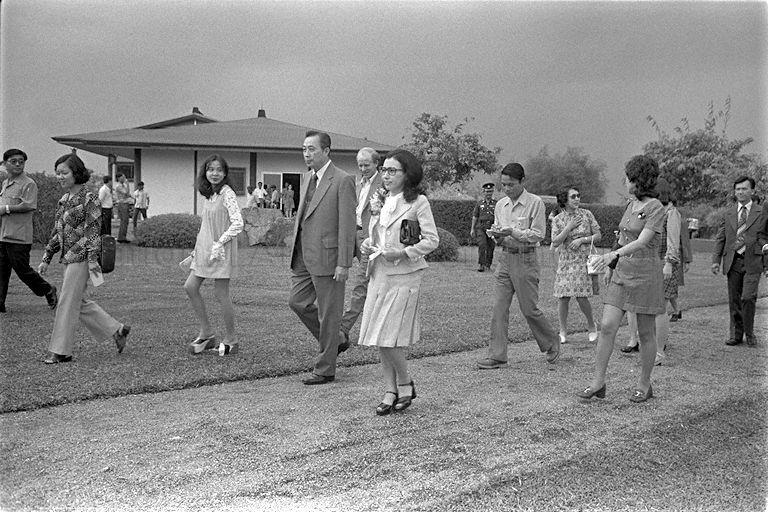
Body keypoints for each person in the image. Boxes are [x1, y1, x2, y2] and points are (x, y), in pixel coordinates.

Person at [577, 155, 665, 403]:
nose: (625, 181)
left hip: (646, 274)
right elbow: (623, 237)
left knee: (646, 333)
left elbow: (642, 241)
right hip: (622, 271)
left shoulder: (656, 207)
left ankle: (644, 385)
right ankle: (598, 383)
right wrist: (611, 265)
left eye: (628, 177)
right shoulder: (630, 204)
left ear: (638, 180)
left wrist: (612, 254)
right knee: (607, 326)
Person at [358, 149, 439, 415]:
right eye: (385, 170)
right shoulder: (380, 200)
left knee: (389, 335)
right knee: (380, 336)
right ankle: (390, 389)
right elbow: (377, 237)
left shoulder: (418, 203)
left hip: (405, 276)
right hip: (379, 273)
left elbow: (431, 240)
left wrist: (403, 253)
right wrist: (369, 245)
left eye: (393, 171)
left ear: (407, 174)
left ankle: (405, 382)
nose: (387, 175)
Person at [37, 153, 129, 364]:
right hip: (68, 258)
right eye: (57, 173)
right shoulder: (64, 200)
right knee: (78, 301)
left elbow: (93, 232)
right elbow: (57, 232)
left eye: (64, 173)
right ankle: (118, 330)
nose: (59, 177)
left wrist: (92, 262)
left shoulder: (90, 198)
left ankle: (61, 351)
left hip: (82, 258)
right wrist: (46, 258)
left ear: (76, 173)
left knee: (66, 302)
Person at [477, 162, 561, 369]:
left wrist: (513, 232)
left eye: (511, 184)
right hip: (505, 258)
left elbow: (539, 234)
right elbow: (499, 230)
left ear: (522, 181)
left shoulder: (535, 203)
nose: (506, 189)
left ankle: (551, 341)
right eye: (503, 185)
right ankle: (497, 356)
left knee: (529, 309)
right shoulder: (500, 205)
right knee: (498, 307)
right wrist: (497, 235)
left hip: (526, 259)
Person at [288, 130, 356, 385]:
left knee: (329, 314)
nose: (306, 153)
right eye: (304, 149)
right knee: (298, 302)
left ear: (326, 151)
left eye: (312, 149)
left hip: (329, 258)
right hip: (304, 255)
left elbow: (347, 225)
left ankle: (325, 368)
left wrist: (343, 262)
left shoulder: (342, 180)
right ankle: (336, 340)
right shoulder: (306, 178)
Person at [183, 155, 243, 356]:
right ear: (205, 172)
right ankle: (207, 333)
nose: (214, 173)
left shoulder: (228, 194)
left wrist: (220, 243)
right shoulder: (209, 194)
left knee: (220, 294)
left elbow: (238, 223)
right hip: (204, 249)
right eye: (210, 169)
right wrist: (195, 252)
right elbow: (205, 226)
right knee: (190, 287)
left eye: (219, 170)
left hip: (221, 251)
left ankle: (231, 338)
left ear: (225, 173)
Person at [0, 149, 58, 313]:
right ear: (5, 164)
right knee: (1, 270)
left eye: (21, 161)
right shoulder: (6, 183)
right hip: (3, 234)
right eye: (13, 161)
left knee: (22, 269)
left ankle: (47, 289)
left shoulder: (28, 183)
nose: (18, 164)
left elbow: (29, 205)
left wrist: (5, 208)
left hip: (19, 236)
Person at [711, 176, 766, 347]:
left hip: (753, 260)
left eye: (744, 189)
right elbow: (721, 238)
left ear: (752, 191)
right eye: (738, 189)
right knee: (734, 299)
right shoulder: (728, 213)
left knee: (748, 297)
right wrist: (716, 260)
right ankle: (736, 334)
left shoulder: (761, 212)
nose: (740, 192)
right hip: (733, 261)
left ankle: (749, 333)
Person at [339, 147, 383, 352]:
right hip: (352, 235)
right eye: (360, 165)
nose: (363, 168)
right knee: (338, 272)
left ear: (376, 164)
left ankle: (343, 329)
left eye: (366, 164)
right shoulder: (357, 184)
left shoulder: (384, 185)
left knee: (361, 283)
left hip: (370, 239)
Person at [550, 186, 601, 344]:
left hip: (583, 260)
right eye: (573, 196)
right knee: (563, 297)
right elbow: (555, 241)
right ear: (564, 200)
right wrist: (568, 227)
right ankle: (563, 331)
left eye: (578, 196)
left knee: (581, 297)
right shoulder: (558, 219)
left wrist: (581, 240)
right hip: (566, 260)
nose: (577, 199)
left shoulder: (587, 214)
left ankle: (592, 326)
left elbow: (598, 235)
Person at [470, 182, 498, 272]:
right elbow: (475, 217)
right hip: (481, 227)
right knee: (482, 245)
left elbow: (499, 216)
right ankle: (481, 265)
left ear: (492, 192)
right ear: (484, 192)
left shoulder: (496, 204)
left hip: (492, 228)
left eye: (490, 191)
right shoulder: (479, 203)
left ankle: (488, 264)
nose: (488, 193)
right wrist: (472, 229)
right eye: (487, 191)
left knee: (491, 247)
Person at [114, 173, 131, 243]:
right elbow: (126, 193)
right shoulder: (119, 186)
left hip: (125, 203)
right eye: (123, 177)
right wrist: (128, 184)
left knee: (125, 221)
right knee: (124, 221)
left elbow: (128, 194)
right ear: (119, 178)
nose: (124, 178)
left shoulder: (123, 185)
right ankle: (121, 238)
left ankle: (122, 237)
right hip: (122, 204)